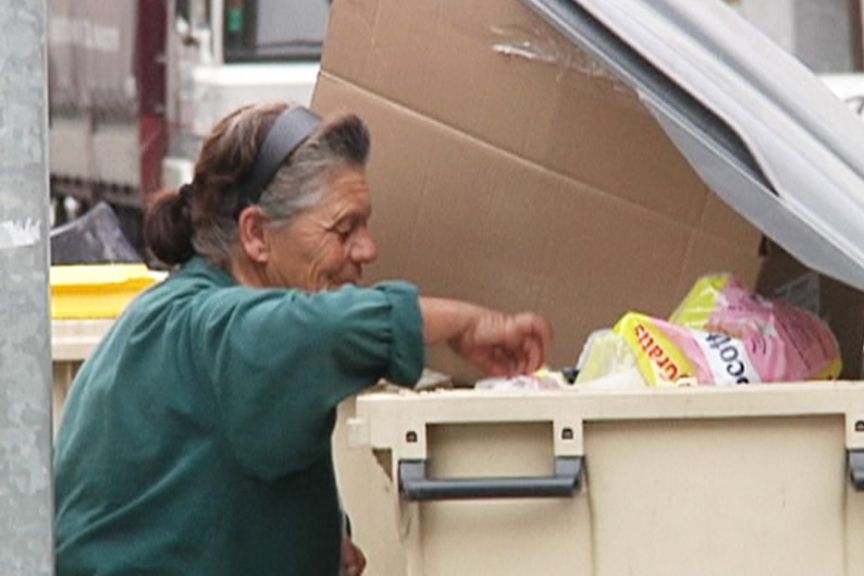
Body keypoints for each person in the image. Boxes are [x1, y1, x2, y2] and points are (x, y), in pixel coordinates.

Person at [54, 102, 552, 576]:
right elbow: (330, 327)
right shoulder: (216, 323)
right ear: (256, 234)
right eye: (344, 229)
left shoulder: (194, 315)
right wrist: (466, 325)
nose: (368, 249)